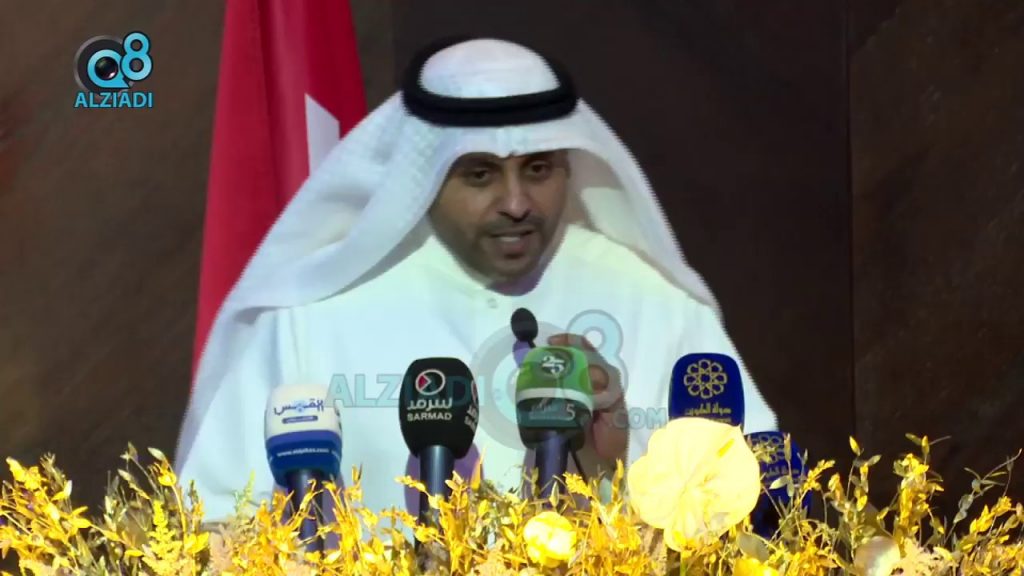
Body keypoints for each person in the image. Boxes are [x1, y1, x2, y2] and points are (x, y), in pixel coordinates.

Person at [173, 37, 779, 523]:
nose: (516, 203)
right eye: (480, 175)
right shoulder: (314, 317)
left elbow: (758, 518)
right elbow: (218, 522)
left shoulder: (654, 303)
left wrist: (612, 463)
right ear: (426, 174)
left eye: (538, 169)